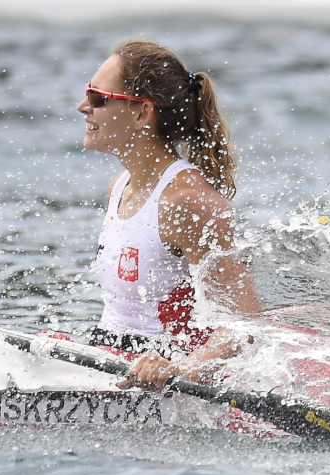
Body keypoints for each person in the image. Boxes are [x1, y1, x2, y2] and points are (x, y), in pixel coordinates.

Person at [76, 39, 261, 389]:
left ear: (142, 113)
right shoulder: (119, 186)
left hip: (160, 374)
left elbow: (245, 326)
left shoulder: (188, 203)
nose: (83, 106)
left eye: (98, 97)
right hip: (110, 358)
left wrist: (180, 370)